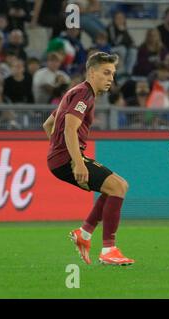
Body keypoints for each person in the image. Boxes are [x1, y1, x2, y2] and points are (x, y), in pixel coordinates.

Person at [42, 52, 134, 266]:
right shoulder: (84, 94)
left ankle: (85, 233)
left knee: (114, 187)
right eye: (106, 72)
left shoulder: (75, 92)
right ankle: (108, 250)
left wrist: (58, 150)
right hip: (67, 159)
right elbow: (70, 130)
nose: (111, 78)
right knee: (118, 187)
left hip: (60, 158)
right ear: (92, 73)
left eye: (113, 73)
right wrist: (77, 161)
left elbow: (48, 124)